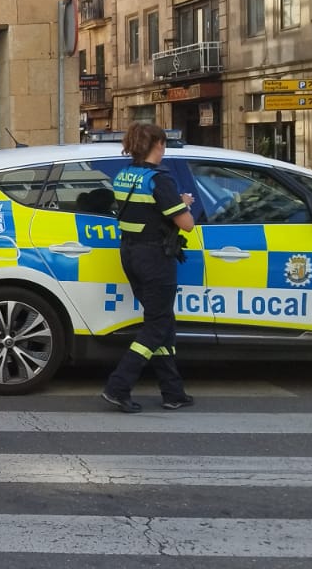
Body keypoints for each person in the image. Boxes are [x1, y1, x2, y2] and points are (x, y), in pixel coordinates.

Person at [101, 123, 196, 414]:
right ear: (158, 144)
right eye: (164, 143)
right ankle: (118, 386)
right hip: (155, 258)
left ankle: (173, 392)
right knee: (156, 326)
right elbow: (187, 225)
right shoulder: (159, 179)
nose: (164, 148)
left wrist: (172, 205)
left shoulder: (124, 175)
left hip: (130, 254)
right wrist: (183, 205)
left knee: (163, 321)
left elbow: (142, 211)